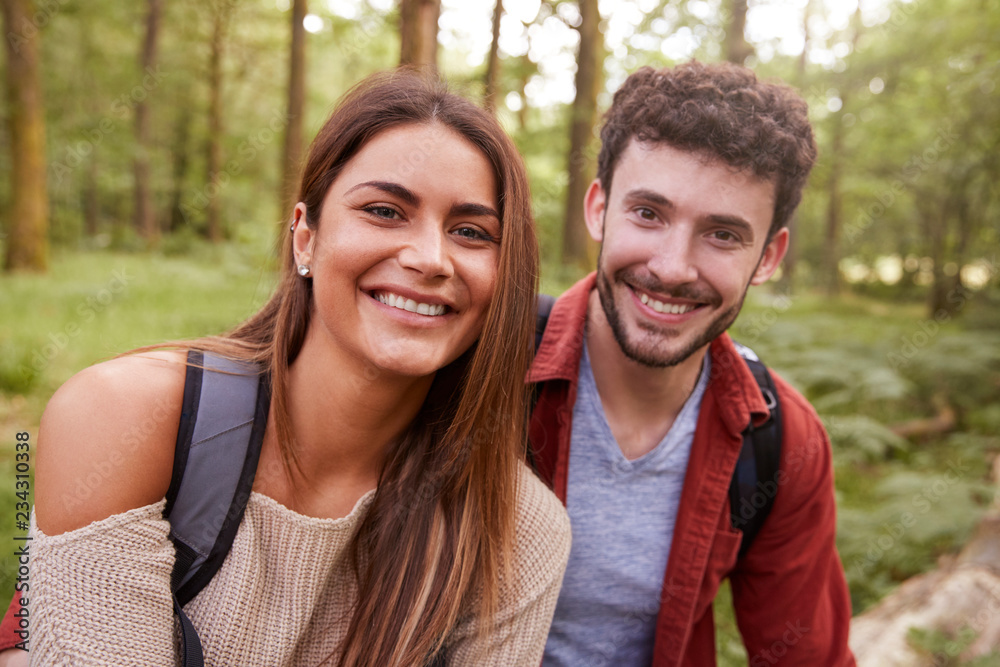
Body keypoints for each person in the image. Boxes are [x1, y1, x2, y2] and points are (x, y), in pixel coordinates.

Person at [0, 70, 570, 666]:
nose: (430, 258)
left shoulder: (518, 531)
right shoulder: (125, 417)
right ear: (305, 238)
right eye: (384, 210)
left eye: (471, 232)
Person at [530, 61, 855, 666]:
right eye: (648, 213)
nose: (673, 267)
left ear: (768, 256)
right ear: (599, 209)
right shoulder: (477, 365)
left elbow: (806, 657)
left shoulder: (782, 442)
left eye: (724, 235)